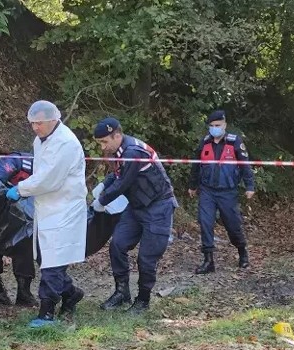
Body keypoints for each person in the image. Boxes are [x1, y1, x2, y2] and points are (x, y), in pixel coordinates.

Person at [6, 100, 87, 328]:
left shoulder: (66, 143)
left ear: (53, 120)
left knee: (53, 261)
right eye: (32, 124)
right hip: (47, 207)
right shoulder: (40, 140)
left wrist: (21, 189)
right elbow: (41, 173)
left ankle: (47, 311)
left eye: (39, 124)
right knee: (45, 257)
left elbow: (49, 179)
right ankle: (71, 293)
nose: (35, 128)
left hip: (65, 208)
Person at [91, 117, 177, 314]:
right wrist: (104, 184)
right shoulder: (120, 150)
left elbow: (123, 184)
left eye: (105, 142)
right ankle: (122, 292)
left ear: (118, 135)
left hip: (158, 207)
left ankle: (143, 300)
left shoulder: (133, 152)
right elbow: (118, 174)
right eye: (100, 143)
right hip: (137, 205)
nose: (103, 147)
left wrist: (101, 201)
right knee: (117, 245)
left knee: (146, 258)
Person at [188, 110, 254, 274]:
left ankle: (242, 252)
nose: (215, 128)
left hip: (227, 192)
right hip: (207, 191)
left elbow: (245, 165)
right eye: (212, 126)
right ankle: (208, 261)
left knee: (233, 225)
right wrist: (192, 185)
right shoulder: (204, 142)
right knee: (205, 222)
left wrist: (250, 186)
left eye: (218, 125)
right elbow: (196, 165)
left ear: (224, 125)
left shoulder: (234, 142)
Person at [0, 152, 38, 307]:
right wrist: (7, 192)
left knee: (25, 245)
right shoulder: (17, 161)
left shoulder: (51, 168)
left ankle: (24, 293)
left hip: (25, 217)